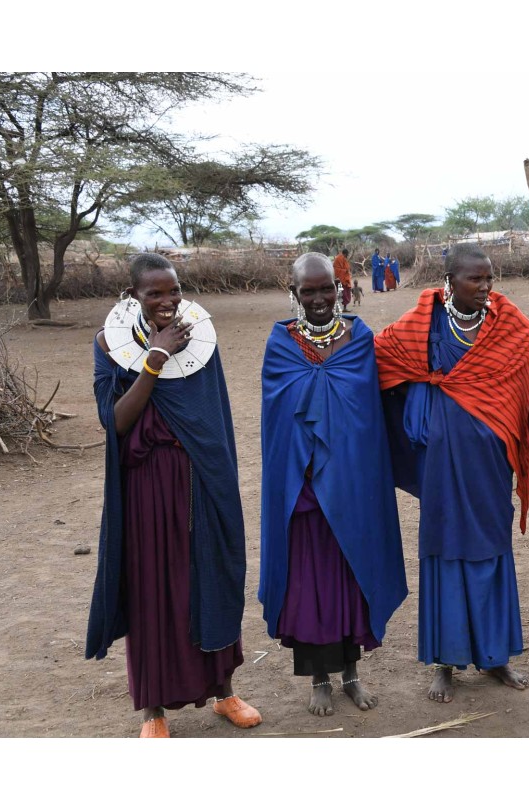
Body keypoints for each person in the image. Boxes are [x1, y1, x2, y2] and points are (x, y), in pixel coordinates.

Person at [86, 252, 260, 738]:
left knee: (211, 576)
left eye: (174, 291)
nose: (167, 301)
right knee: (152, 590)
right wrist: (155, 359)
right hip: (146, 487)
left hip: (199, 476)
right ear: (132, 296)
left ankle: (224, 693)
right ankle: (153, 711)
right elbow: (116, 421)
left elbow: (213, 415)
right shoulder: (108, 343)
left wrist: (220, 477)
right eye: (154, 293)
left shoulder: (200, 339)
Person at [374, 243, 529, 702]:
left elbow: (525, 374)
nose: (485, 286)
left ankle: (495, 655)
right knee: (444, 549)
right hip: (441, 458)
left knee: (492, 546)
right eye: (474, 278)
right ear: (449, 280)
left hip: (490, 458)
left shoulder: (510, 325)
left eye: (489, 278)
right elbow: (382, 355)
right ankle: (445, 661)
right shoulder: (425, 322)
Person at [259, 253, 408, 717]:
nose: (320, 298)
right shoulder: (281, 345)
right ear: (295, 294)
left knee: (351, 578)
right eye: (309, 291)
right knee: (310, 584)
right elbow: (277, 423)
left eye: (327, 288)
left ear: (340, 289)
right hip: (303, 487)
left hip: (353, 483)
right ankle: (319, 678)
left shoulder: (359, 340)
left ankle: (352, 675)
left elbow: (370, 416)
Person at [333, 247, 353, 311]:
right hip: (340, 279)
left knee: (345, 293)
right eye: (347, 254)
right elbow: (336, 269)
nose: (347, 256)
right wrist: (344, 271)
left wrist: (347, 271)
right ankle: (341, 308)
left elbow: (346, 267)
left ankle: (344, 308)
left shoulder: (343, 258)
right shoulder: (338, 258)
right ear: (345, 253)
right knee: (343, 294)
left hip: (345, 278)